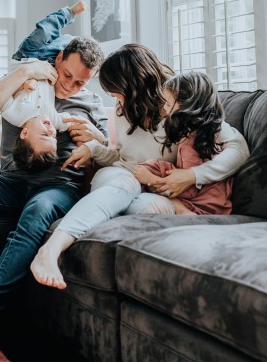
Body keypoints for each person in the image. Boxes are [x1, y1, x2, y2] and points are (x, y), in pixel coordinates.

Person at [0, 8, 108, 357]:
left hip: (58, 187)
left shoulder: (91, 103)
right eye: (67, 75)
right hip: (11, 180)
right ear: (59, 58)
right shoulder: (28, 82)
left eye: (80, 82)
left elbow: (113, 155)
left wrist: (97, 139)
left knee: (38, 210)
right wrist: (23, 71)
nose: (70, 85)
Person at [30, 43, 249, 290]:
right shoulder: (124, 108)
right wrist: (94, 149)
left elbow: (239, 149)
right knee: (125, 185)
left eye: (116, 91)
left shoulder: (179, 103)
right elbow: (122, 159)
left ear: (134, 85)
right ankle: (51, 249)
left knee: (143, 205)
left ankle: (80, 227)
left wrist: (192, 175)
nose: (113, 98)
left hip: (153, 191)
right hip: (123, 176)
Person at [134, 71, 234, 216]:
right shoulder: (207, 133)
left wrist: (151, 180)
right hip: (218, 203)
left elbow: (188, 190)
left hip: (204, 207)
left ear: (186, 106)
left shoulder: (190, 143)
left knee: (153, 171)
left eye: (168, 104)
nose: (165, 109)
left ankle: (182, 211)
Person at [2, 1, 86, 170]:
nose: (50, 129)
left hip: (27, 56)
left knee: (45, 30)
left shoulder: (13, 114)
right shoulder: (54, 120)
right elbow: (75, 122)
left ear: (25, 133)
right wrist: (95, 139)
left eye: (43, 134)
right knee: (71, 44)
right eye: (53, 136)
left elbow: (4, 88)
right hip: (49, 64)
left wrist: (21, 85)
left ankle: (68, 13)